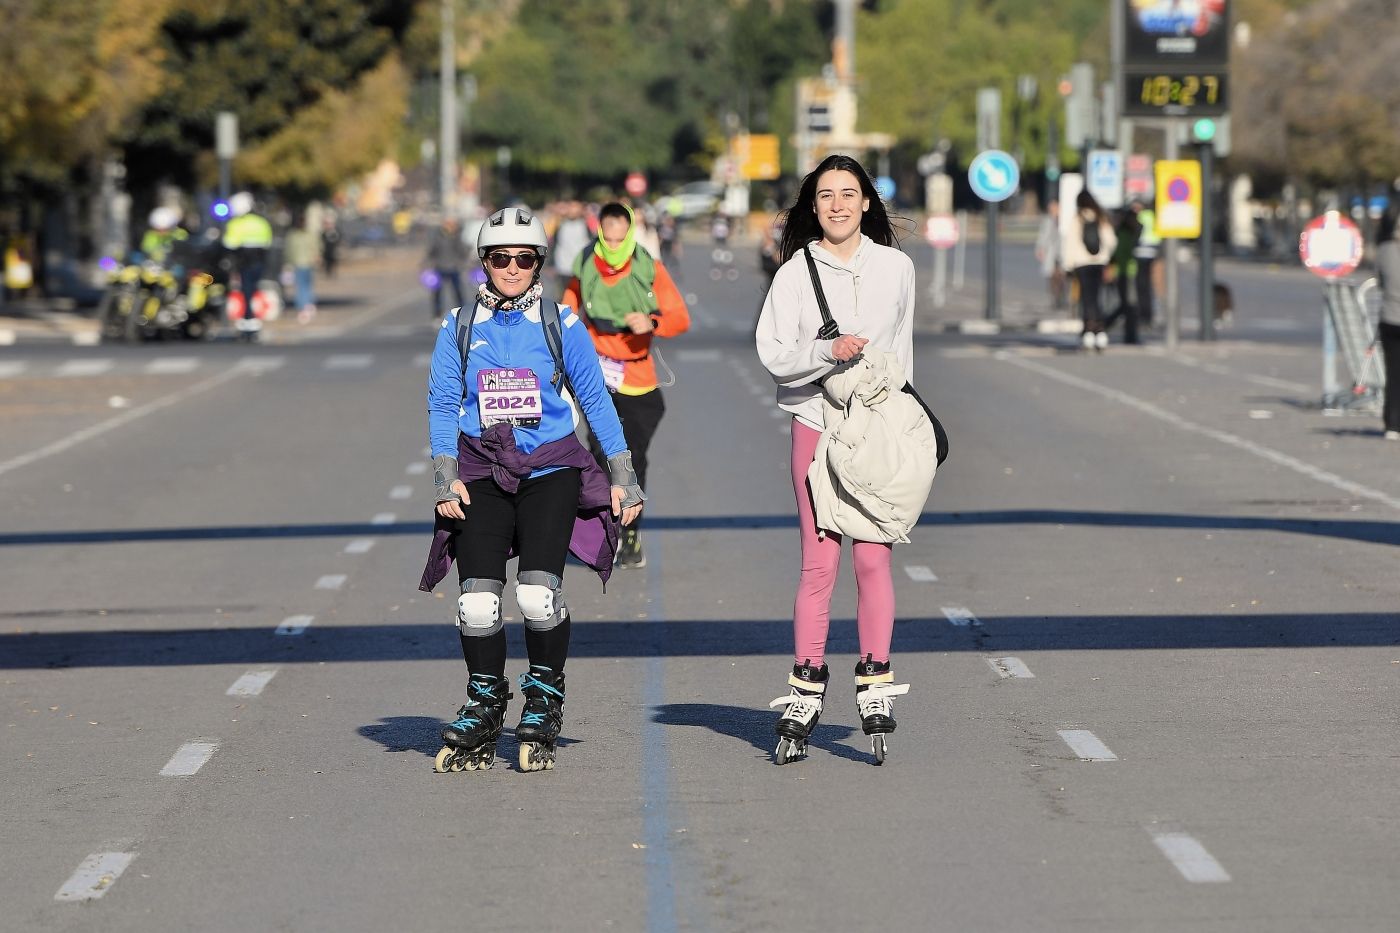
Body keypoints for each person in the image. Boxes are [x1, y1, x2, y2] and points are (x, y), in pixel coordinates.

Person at [420, 206, 645, 773]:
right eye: (500, 258)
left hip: (550, 468)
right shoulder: (459, 327)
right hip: (480, 470)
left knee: (537, 595)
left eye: (524, 258)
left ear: (539, 263)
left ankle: (544, 696)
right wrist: (445, 478)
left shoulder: (561, 324)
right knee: (475, 601)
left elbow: (595, 401)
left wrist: (623, 474)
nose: (512, 268)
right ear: (485, 262)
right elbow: (444, 404)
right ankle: (485, 699)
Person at [754, 154, 916, 766]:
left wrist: (903, 421)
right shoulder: (795, 272)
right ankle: (805, 684)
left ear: (867, 202)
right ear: (813, 206)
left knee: (873, 555)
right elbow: (774, 353)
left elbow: (902, 352)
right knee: (819, 561)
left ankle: (875, 678)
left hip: (876, 427)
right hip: (815, 425)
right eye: (827, 195)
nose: (839, 204)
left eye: (849, 193)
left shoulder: (896, 269)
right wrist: (828, 351)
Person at [563, 202, 690, 569]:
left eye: (622, 229)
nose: (615, 237)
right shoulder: (586, 264)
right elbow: (567, 313)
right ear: (601, 228)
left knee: (633, 458)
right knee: (601, 456)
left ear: (630, 229)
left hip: (638, 379)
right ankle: (607, 532)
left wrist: (651, 322)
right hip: (596, 376)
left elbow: (679, 317)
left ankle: (631, 533)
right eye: (609, 228)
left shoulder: (648, 267)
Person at [1063, 189, 1117, 351]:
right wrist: (1106, 257)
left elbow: (1070, 243)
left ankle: (1088, 331)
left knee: (1086, 298)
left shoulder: (1078, 218)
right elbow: (1111, 240)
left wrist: (1068, 266)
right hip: (1100, 263)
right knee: (1097, 297)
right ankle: (1100, 332)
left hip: (1082, 263)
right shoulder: (1101, 217)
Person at [221, 192, 274, 340]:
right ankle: (252, 323)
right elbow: (267, 243)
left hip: (244, 263)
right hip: (259, 262)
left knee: (246, 292)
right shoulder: (261, 222)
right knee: (252, 291)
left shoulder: (236, 224)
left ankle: (247, 323)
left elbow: (229, 244)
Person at [1375, 206, 1400, 441]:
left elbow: (1380, 282)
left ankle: (1392, 424)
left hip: (1390, 317)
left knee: (1393, 374)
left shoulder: (1384, 250)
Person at [424, 216, 468, 319]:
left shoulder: (457, 236)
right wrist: (427, 263)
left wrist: (462, 262)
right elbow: (432, 251)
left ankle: (462, 312)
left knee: (458, 291)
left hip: (453, 267)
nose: (449, 226)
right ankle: (437, 313)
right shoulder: (438, 236)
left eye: (452, 224)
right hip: (440, 267)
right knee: (437, 293)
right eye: (447, 224)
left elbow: (462, 251)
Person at [284, 214, 321, 324]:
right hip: (300, 263)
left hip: (306, 263)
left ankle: (306, 306)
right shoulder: (295, 235)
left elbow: (315, 247)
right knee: (303, 286)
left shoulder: (299, 235)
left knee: (305, 285)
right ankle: (305, 306)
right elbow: (289, 251)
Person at [1131, 199, 1160, 328]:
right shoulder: (1152, 216)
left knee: (1141, 285)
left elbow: (1136, 234)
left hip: (1141, 252)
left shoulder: (1141, 217)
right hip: (1152, 252)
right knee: (1147, 285)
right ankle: (1148, 315)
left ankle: (1144, 315)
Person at [1034, 200, 1066, 310]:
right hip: (1051, 253)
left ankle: (1062, 297)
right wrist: (1040, 249)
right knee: (1053, 277)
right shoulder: (1047, 220)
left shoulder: (1065, 219)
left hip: (1063, 252)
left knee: (1062, 276)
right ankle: (1055, 298)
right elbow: (1042, 236)